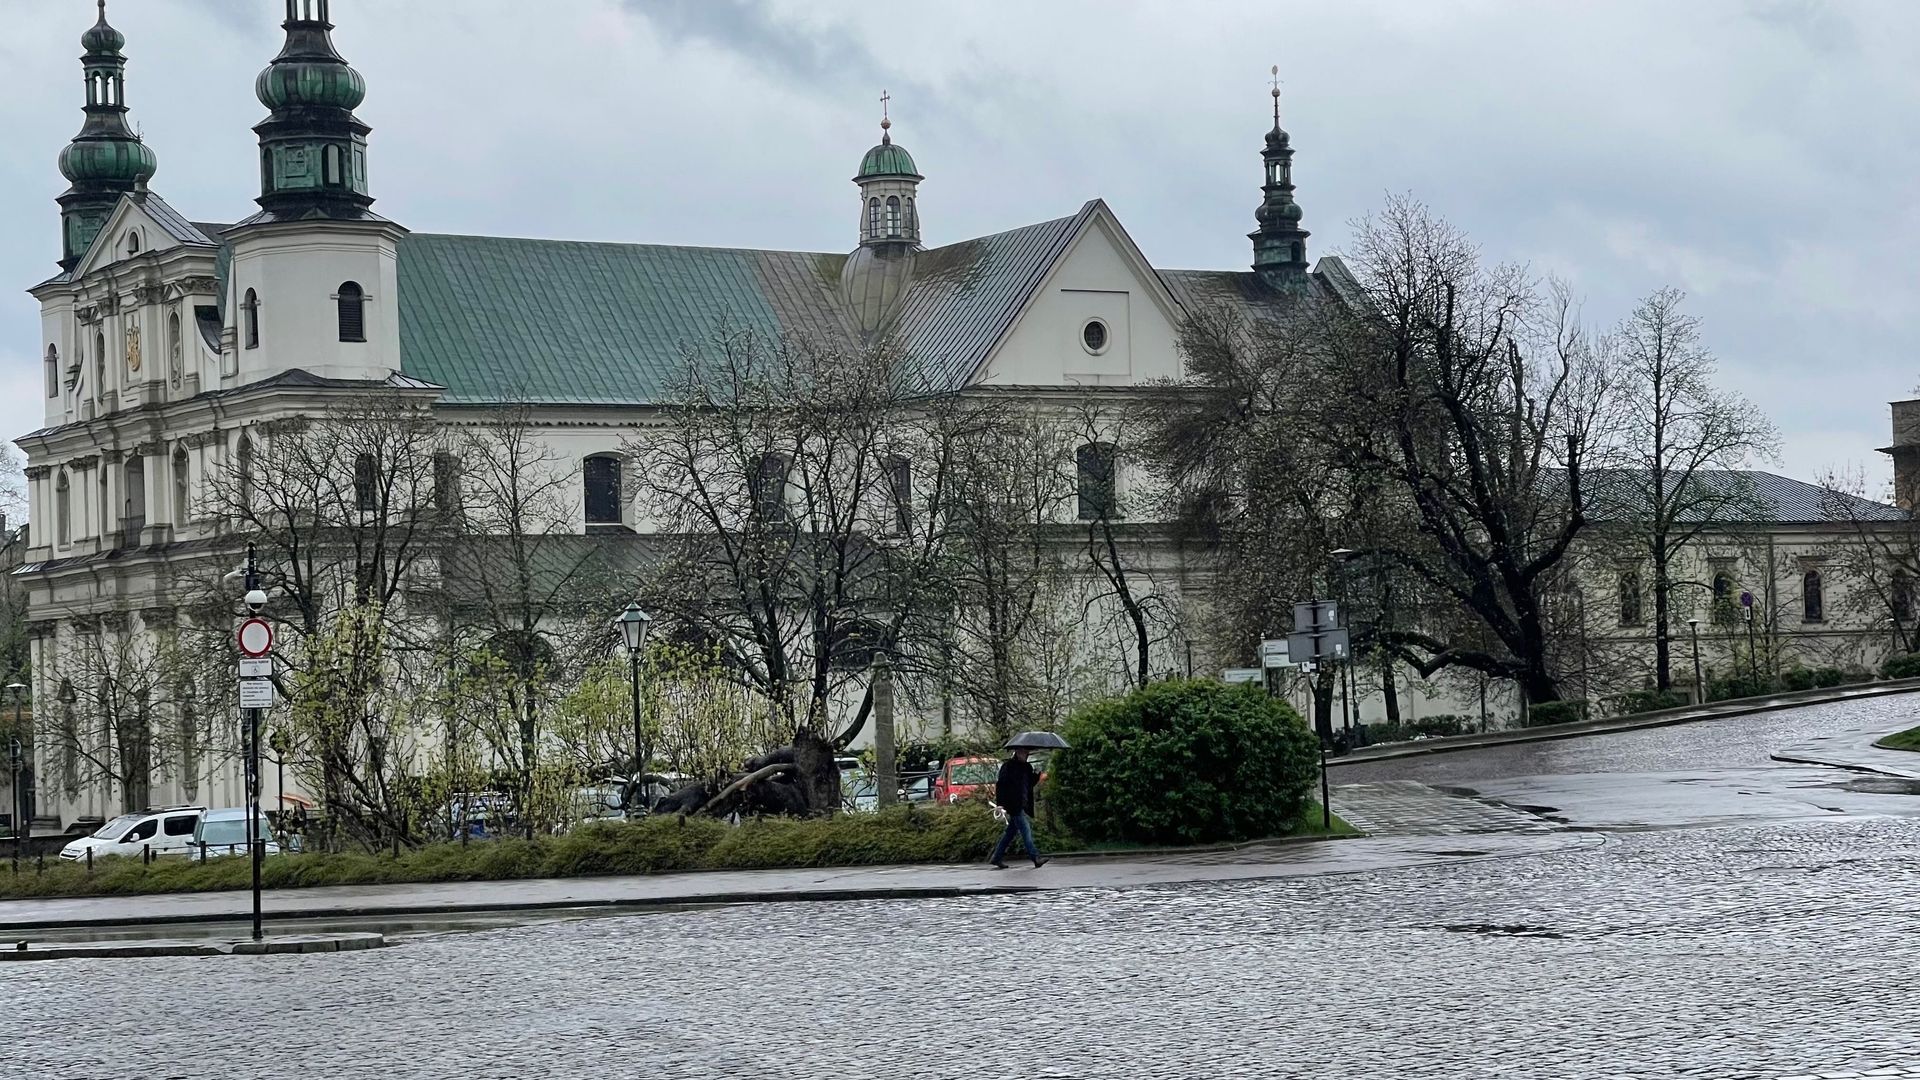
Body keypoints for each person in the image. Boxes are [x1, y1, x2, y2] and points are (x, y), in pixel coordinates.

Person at [988, 746, 1048, 870]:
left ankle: (996, 858)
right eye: (1024, 752)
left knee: (1010, 833)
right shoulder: (1008, 767)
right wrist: (1000, 803)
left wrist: (1037, 775)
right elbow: (1001, 785)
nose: (1026, 755)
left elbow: (1029, 784)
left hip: (1023, 803)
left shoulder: (1027, 767)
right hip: (1012, 804)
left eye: (1027, 753)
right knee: (1026, 830)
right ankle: (1035, 857)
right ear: (1017, 752)